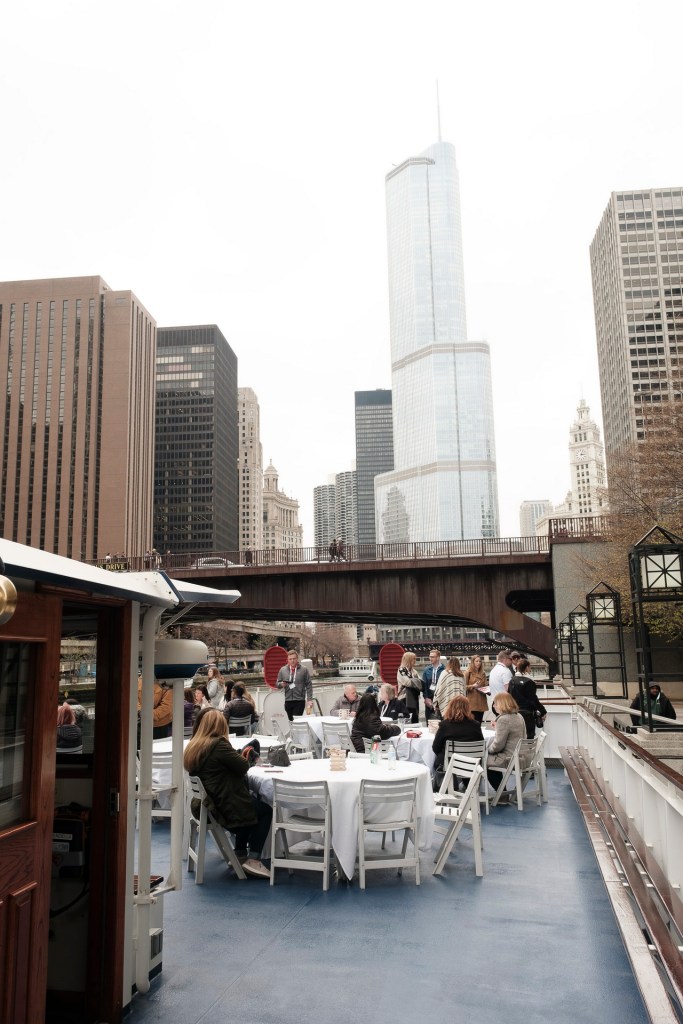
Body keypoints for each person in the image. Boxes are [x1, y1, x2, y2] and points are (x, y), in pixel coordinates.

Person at [183, 709, 272, 879]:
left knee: (249, 804)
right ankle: (254, 859)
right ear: (220, 726)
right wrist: (245, 756)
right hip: (224, 805)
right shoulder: (218, 745)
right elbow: (243, 766)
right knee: (265, 811)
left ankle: (240, 853)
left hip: (207, 803)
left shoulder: (194, 746)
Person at [486, 692, 527, 803]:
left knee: (485, 760)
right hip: (521, 756)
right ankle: (502, 793)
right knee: (492, 759)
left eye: (495, 703)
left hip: (510, 758)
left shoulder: (503, 719)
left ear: (501, 704)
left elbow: (498, 745)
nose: (494, 706)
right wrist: (497, 728)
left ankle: (502, 794)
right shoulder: (519, 716)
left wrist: (487, 750)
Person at [431, 695, 483, 772]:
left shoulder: (444, 725)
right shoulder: (476, 725)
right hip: (471, 765)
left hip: (449, 765)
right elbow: (480, 746)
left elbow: (435, 748)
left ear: (450, 708)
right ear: (468, 708)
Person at [508, 658, 547, 738]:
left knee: (516, 736)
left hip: (514, 713)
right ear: (526, 668)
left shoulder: (512, 680)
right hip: (527, 714)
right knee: (528, 736)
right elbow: (533, 699)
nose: (530, 669)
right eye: (529, 667)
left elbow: (509, 696)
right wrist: (543, 711)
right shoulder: (529, 682)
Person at [276, 649, 313, 719]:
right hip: (288, 700)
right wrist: (281, 684)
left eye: (294, 659)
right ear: (287, 660)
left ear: (297, 659)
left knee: (296, 720)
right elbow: (277, 684)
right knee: (290, 721)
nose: (292, 661)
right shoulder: (282, 670)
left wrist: (309, 699)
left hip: (300, 700)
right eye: (290, 659)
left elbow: (309, 685)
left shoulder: (304, 669)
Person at [396, 651, 422, 724]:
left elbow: (421, 683)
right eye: (414, 659)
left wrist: (414, 681)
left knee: (414, 719)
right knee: (406, 720)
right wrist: (416, 681)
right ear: (409, 659)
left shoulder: (414, 671)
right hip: (404, 698)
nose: (415, 661)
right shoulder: (402, 670)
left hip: (414, 698)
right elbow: (407, 683)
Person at [421, 649, 444, 722]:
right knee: (429, 721)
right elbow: (424, 685)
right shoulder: (426, 670)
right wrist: (426, 698)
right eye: (430, 657)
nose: (430, 658)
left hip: (441, 700)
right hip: (429, 699)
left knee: (441, 722)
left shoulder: (444, 670)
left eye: (432, 657)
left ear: (438, 658)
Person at [464, 654, 489, 722]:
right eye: (476, 661)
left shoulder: (483, 673)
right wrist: (472, 686)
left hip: (481, 701)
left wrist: (487, 690)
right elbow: (463, 686)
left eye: (480, 661)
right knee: (472, 723)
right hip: (472, 702)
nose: (478, 663)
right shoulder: (467, 673)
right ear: (473, 662)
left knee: (479, 722)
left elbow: (485, 685)